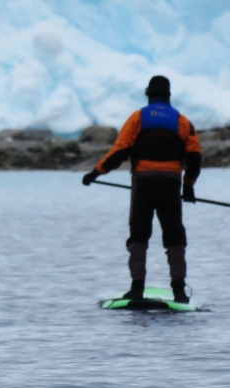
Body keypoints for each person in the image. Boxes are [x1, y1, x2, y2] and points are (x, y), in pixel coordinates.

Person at [83, 75, 202, 304]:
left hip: (144, 184)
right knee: (174, 236)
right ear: (168, 96)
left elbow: (118, 152)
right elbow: (195, 158)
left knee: (139, 235)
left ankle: (137, 289)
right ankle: (179, 290)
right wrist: (188, 187)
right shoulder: (183, 122)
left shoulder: (138, 118)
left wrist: (95, 173)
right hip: (170, 184)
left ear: (149, 95)